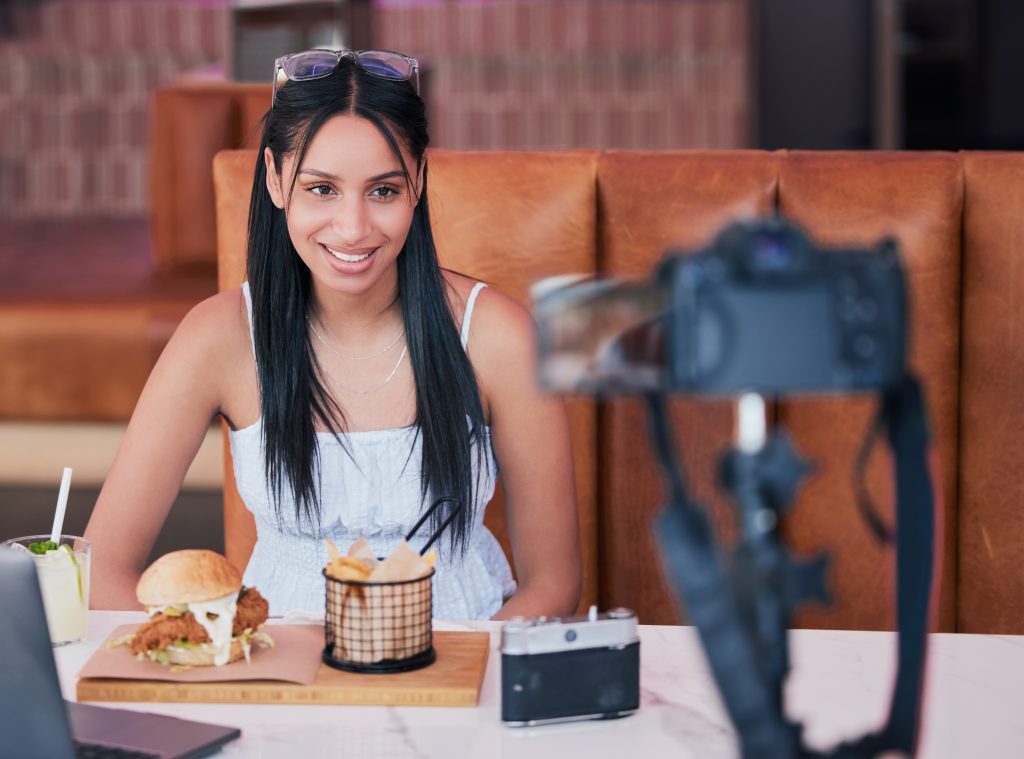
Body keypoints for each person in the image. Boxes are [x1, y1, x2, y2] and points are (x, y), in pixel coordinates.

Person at [85, 49, 581, 620]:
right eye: (322, 189)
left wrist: (459, 682)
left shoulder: (498, 336)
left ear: (418, 181)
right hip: (282, 679)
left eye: (383, 191)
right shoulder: (217, 337)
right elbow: (100, 571)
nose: (353, 229)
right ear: (275, 180)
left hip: (464, 672)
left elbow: (554, 586)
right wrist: (215, 656)